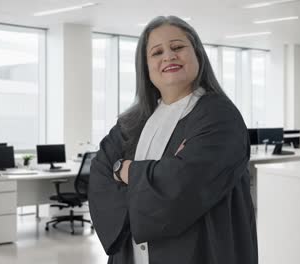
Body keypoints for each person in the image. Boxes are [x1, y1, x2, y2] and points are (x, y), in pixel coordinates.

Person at [88, 15, 258, 264]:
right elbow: (100, 175)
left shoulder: (219, 116)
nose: (168, 56)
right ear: (146, 67)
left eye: (178, 47)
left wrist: (125, 170)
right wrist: (152, 173)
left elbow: (182, 185)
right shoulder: (132, 122)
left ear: (197, 54)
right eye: (157, 52)